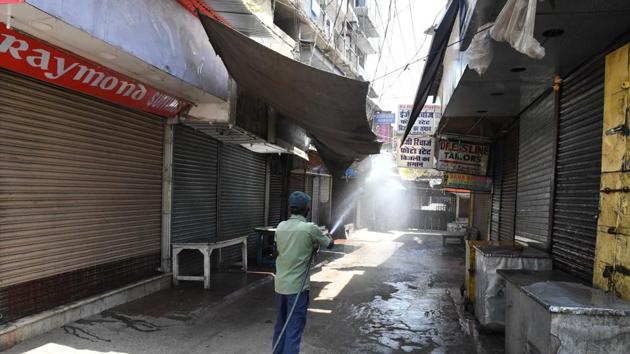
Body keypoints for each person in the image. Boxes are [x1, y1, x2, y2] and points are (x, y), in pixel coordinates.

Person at [272, 191, 334, 354]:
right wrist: (327, 238)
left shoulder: (281, 226)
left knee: (280, 326)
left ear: (291, 208)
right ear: (306, 208)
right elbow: (329, 244)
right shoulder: (310, 229)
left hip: (280, 286)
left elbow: (279, 250)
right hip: (297, 289)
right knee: (293, 330)